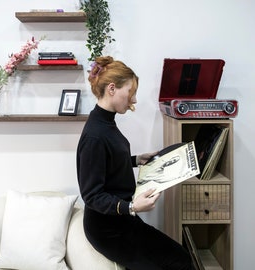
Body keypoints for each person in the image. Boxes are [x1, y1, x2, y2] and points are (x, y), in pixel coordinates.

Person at [76, 56, 194, 270]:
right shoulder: (95, 135)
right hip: (107, 230)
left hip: (120, 221)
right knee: (178, 262)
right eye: (131, 92)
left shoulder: (105, 122)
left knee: (181, 259)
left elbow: (107, 161)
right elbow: (92, 195)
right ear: (112, 88)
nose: (134, 100)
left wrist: (136, 160)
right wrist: (131, 207)